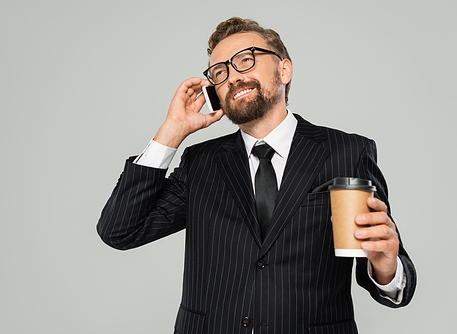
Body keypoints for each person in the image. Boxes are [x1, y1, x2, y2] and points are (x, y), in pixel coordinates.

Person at [97, 17, 416, 334]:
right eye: (219, 72)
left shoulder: (347, 152)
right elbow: (120, 231)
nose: (232, 76)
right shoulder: (201, 163)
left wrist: (385, 266)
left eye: (245, 60)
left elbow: (389, 278)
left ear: (284, 70)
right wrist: (171, 132)